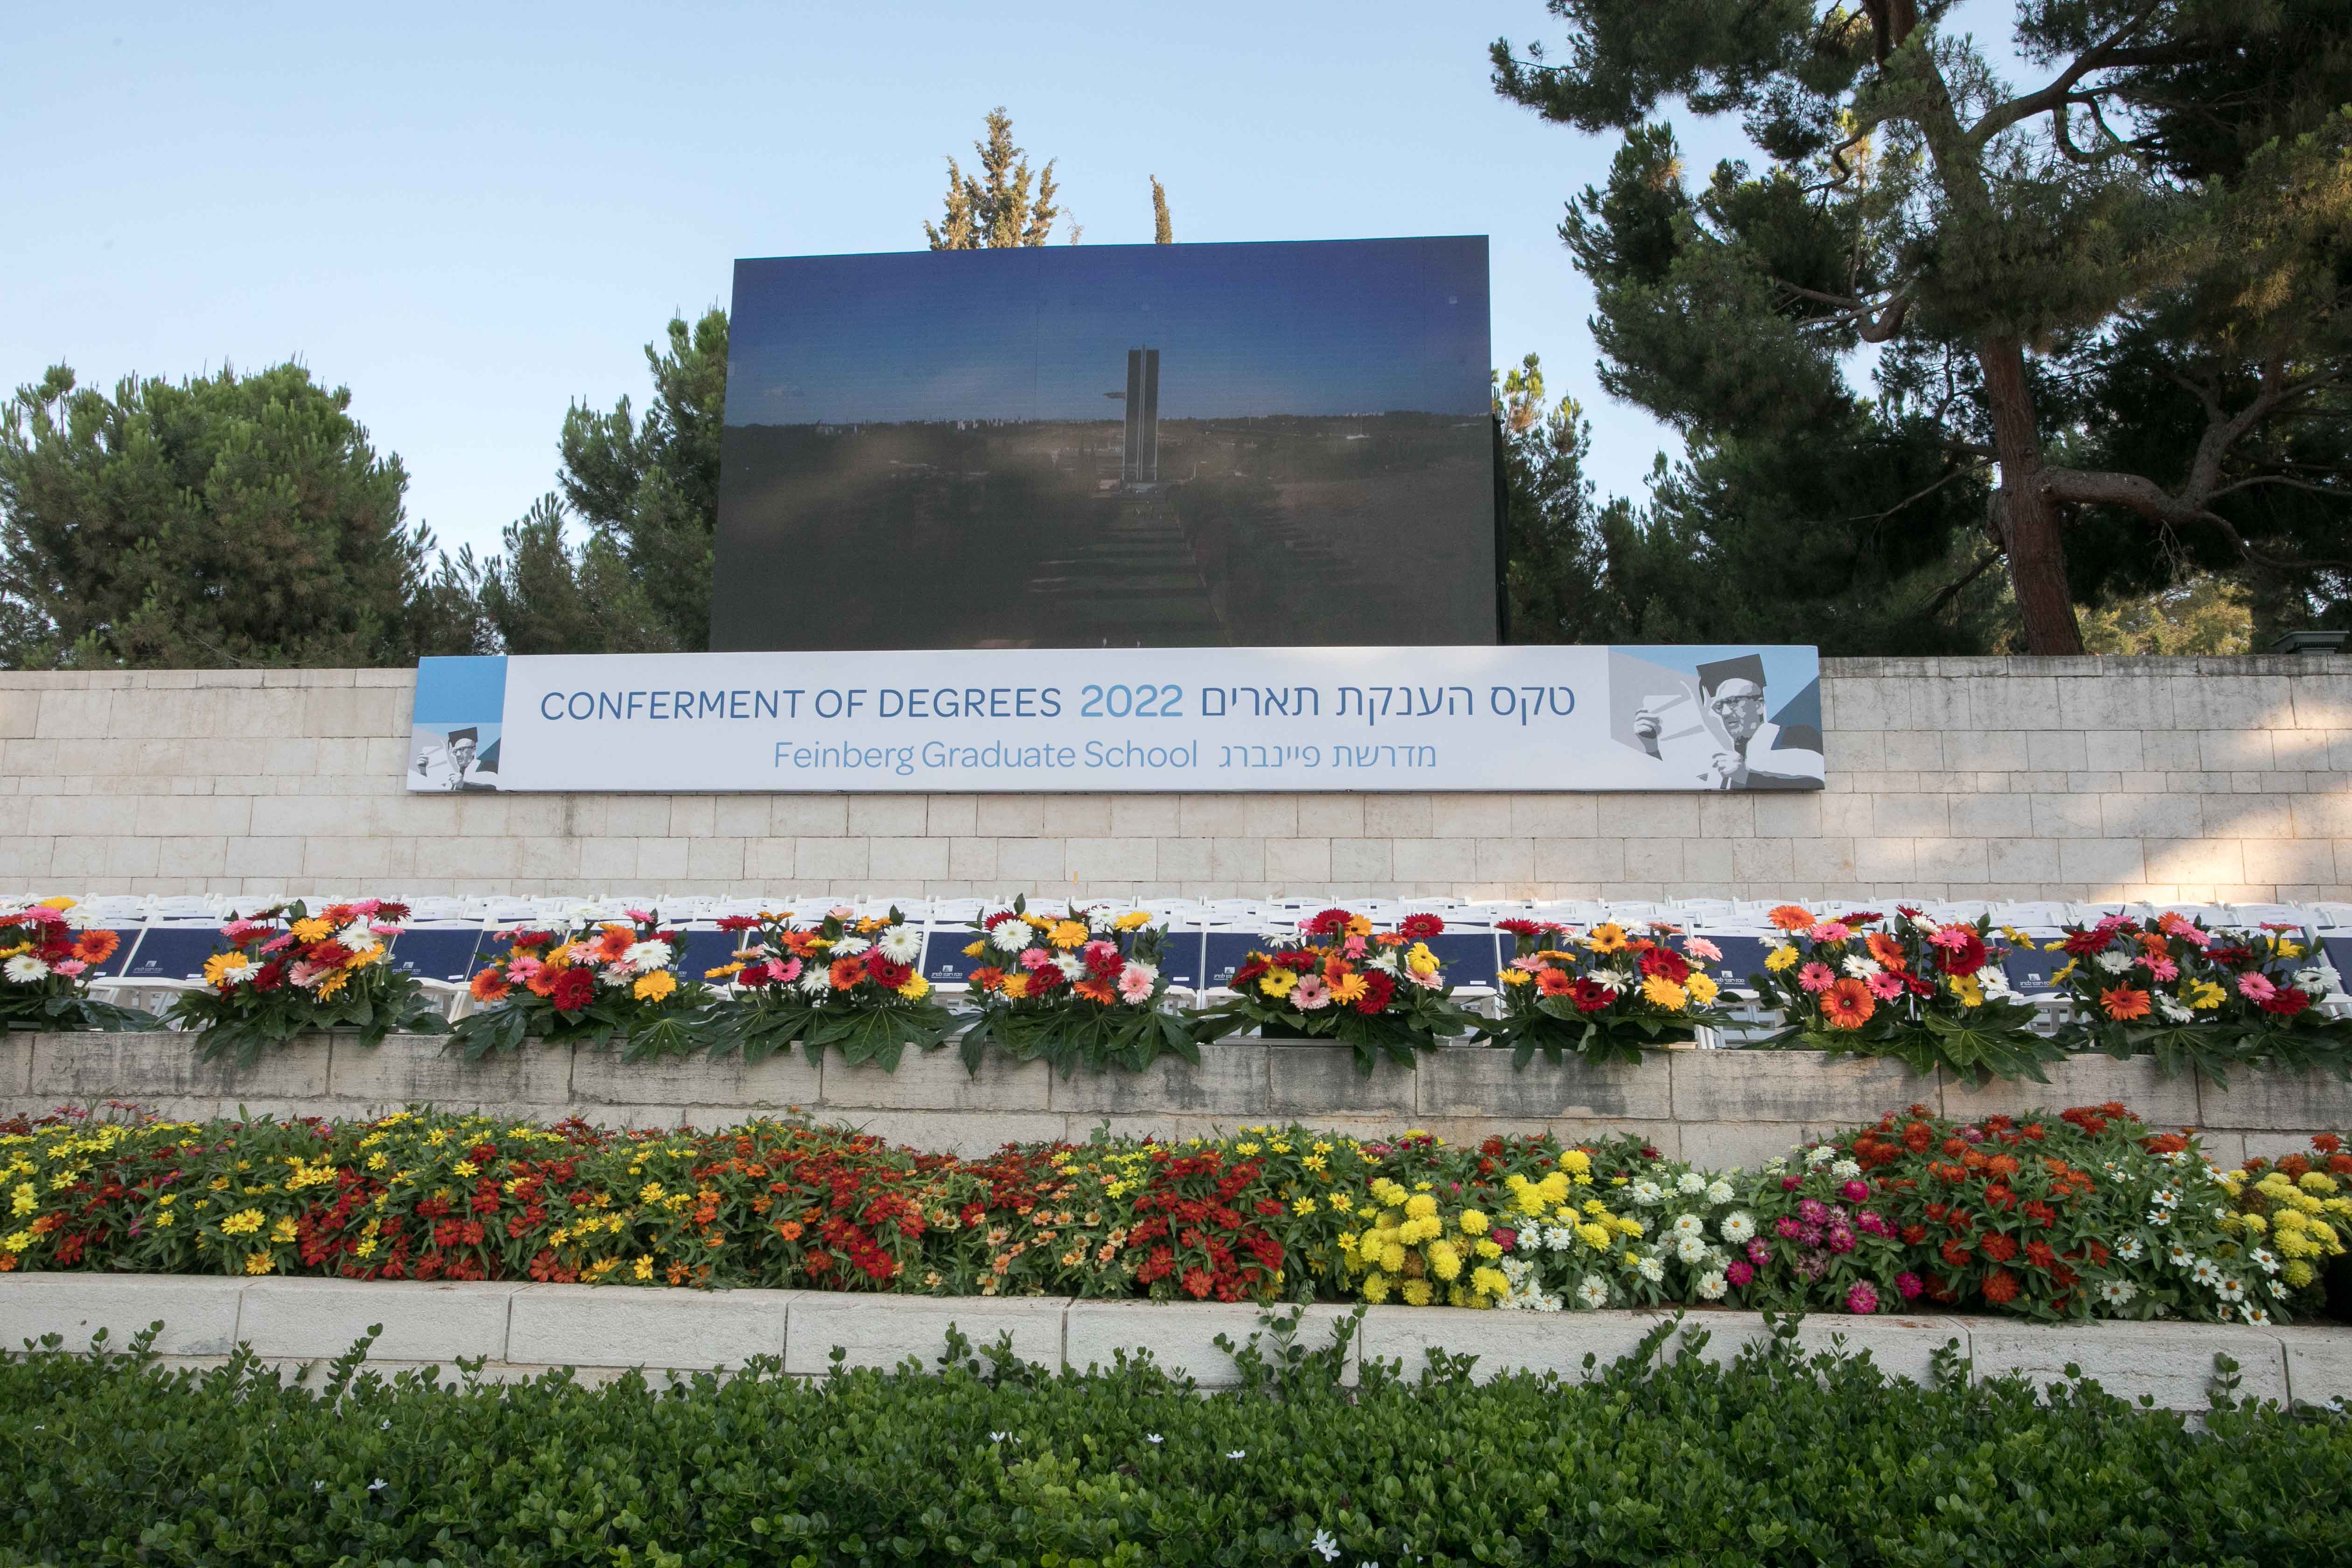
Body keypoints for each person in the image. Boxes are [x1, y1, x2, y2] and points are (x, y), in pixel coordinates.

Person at [1631, 655, 1822, 790]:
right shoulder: (1720, 758)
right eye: (1720, 706)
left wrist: (1745, 776)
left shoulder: (1795, 736)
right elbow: (1672, 786)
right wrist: (1652, 747)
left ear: (1759, 705)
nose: (1726, 713)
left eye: (1734, 702)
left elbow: (1813, 783)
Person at [412, 726, 498, 792]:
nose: (458, 755)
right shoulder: (455, 774)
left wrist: (462, 784)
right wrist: (423, 771)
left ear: (473, 751)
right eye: (456, 751)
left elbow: (493, 787)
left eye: (462, 749)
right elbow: (432, 789)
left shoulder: (486, 766)